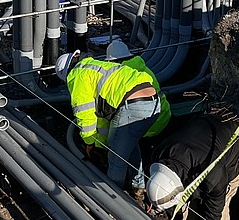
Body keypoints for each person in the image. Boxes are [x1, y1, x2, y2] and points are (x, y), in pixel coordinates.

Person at [145, 114, 239, 220]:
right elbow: (171, 201)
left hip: (230, 153)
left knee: (222, 207)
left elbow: (214, 212)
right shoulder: (160, 157)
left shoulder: (214, 176)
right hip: (199, 138)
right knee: (184, 205)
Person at [55, 49, 161, 192]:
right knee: (129, 144)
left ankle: (113, 199)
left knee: (116, 156)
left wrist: (89, 143)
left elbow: (85, 115)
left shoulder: (77, 75)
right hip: (153, 103)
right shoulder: (96, 66)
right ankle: (138, 186)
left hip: (132, 105)